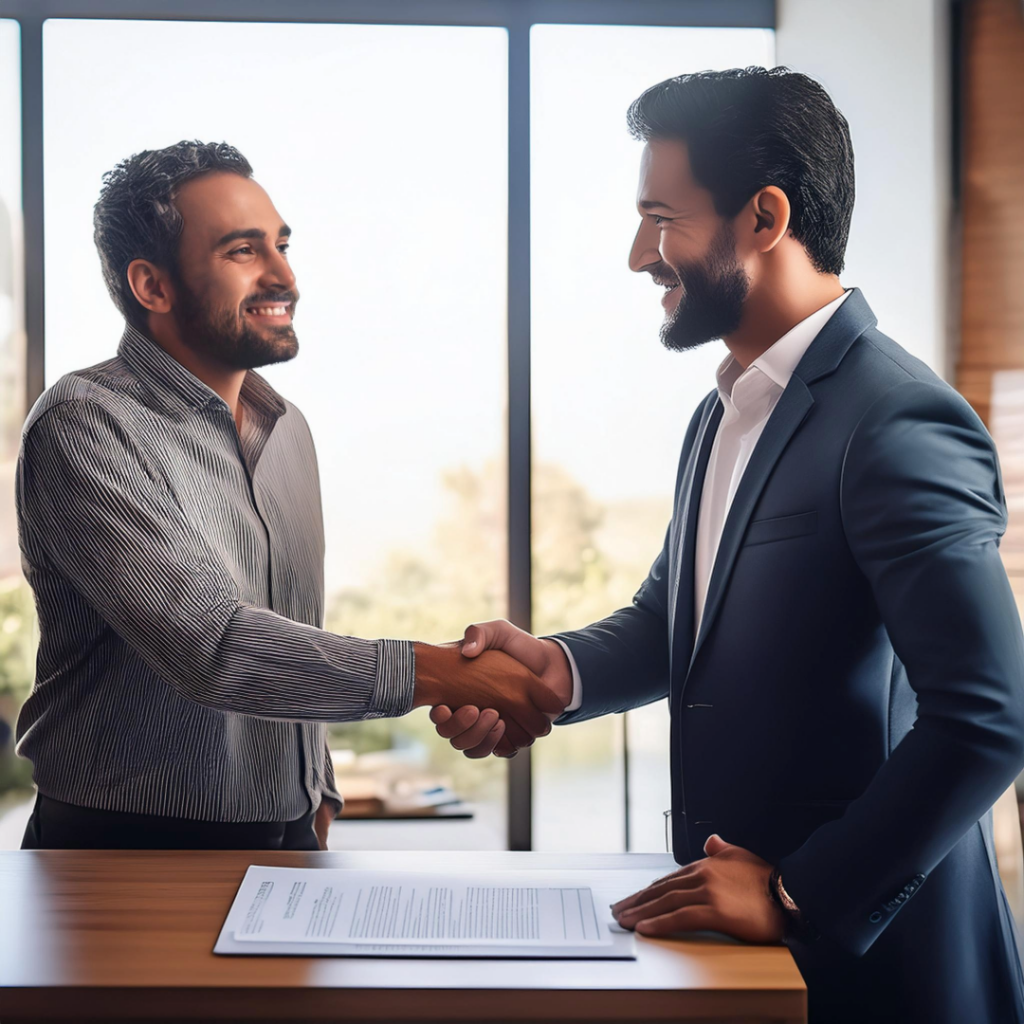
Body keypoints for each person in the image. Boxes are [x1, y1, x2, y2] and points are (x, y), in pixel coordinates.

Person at [432, 68, 1024, 1023]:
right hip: (748, 970)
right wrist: (555, 670)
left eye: (661, 216)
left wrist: (799, 892)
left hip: (880, 974)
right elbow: (677, 618)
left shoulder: (899, 420)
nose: (638, 255)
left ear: (764, 217)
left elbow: (988, 716)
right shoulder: (725, 411)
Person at [15, 141, 562, 852]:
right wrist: (442, 672)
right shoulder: (86, 424)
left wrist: (317, 787)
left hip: (292, 832)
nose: (284, 275)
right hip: (125, 845)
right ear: (152, 286)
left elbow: (290, 628)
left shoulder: (288, 431)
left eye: (281, 244)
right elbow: (213, 645)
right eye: (243, 251)